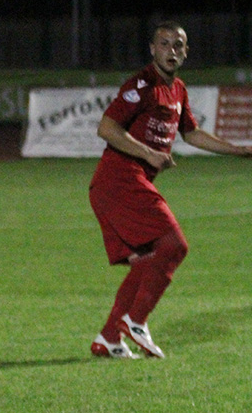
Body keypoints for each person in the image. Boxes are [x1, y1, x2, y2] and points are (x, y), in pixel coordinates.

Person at [89, 21, 252, 359]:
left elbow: (191, 133)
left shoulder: (178, 89)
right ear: (152, 49)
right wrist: (149, 153)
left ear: (186, 52)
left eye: (178, 45)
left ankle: (108, 339)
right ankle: (136, 320)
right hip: (119, 180)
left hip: (121, 185)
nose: (171, 51)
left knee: (147, 260)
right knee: (175, 245)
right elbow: (106, 127)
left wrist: (239, 150)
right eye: (164, 44)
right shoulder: (141, 84)